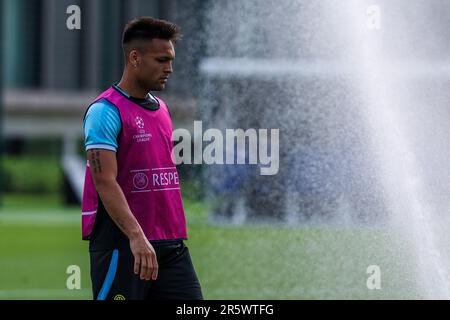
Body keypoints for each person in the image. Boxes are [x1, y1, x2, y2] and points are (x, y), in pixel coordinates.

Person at [81, 16, 203, 300]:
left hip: (171, 247)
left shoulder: (161, 108)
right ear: (135, 58)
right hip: (123, 246)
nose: (169, 69)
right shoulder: (104, 111)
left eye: (171, 60)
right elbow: (105, 181)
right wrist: (136, 236)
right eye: (161, 60)